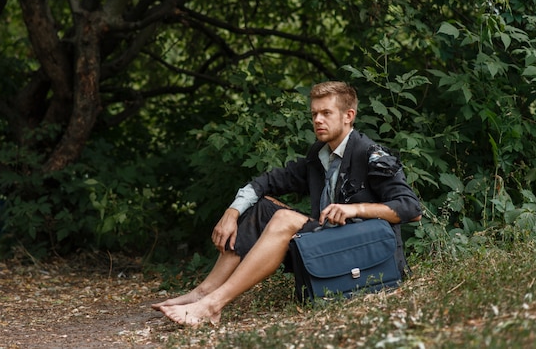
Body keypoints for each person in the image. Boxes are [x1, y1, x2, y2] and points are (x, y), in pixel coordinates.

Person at [152, 81, 422, 326]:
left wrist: (355, 209)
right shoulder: (319, 155)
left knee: (283, 219)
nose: (317, 120)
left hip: (366, 257)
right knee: (263, 208)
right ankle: (203, 292)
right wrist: (232, 211)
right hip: (331, 243)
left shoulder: (370, 154)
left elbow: (412, 209)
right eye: (314, 113)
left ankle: (213, 305)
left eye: (326, 113)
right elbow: (267, 182)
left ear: (348, 116)